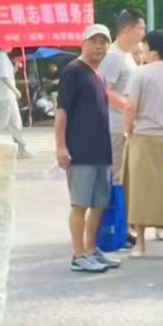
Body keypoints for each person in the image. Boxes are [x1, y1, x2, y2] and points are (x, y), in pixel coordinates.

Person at [55, 24, 119, 274]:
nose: (99, 47)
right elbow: (62, 111)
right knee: (80, 203)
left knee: (99, 203)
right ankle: (79, 255)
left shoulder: (98, 75)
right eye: (94, 41)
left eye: (104, 42)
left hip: (101, 150)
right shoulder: (73, 72)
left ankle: (91, 249)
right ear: (83, 43)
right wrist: (61, 147)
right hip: (80, 151)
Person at [121, 29, 163, 256]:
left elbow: (130, 106)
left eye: (145, 49)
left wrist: (128, 129)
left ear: (154, 52)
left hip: (144, 136)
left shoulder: (140, 73)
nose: (143, 53)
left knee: (140, 189)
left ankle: (141, 244)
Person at [100, 9, 144, 183]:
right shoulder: (114, 56)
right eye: (140, 29)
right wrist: (130, 108)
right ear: (127, 29)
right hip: (115, 128)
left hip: (124, 127)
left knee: (124, 178)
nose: (143, 34)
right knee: (116, 178)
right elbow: (104, 91)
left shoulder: (126, 56)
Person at [0, 48, 29, 157]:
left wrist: (15, 68)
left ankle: (21, 149)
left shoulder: (4, 57)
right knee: (0, 124)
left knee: (16, 123)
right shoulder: (1, 57)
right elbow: (4, 77)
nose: (12, 46)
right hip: (5, 96)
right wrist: (15, 90)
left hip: (8, 96)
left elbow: (7, 75)